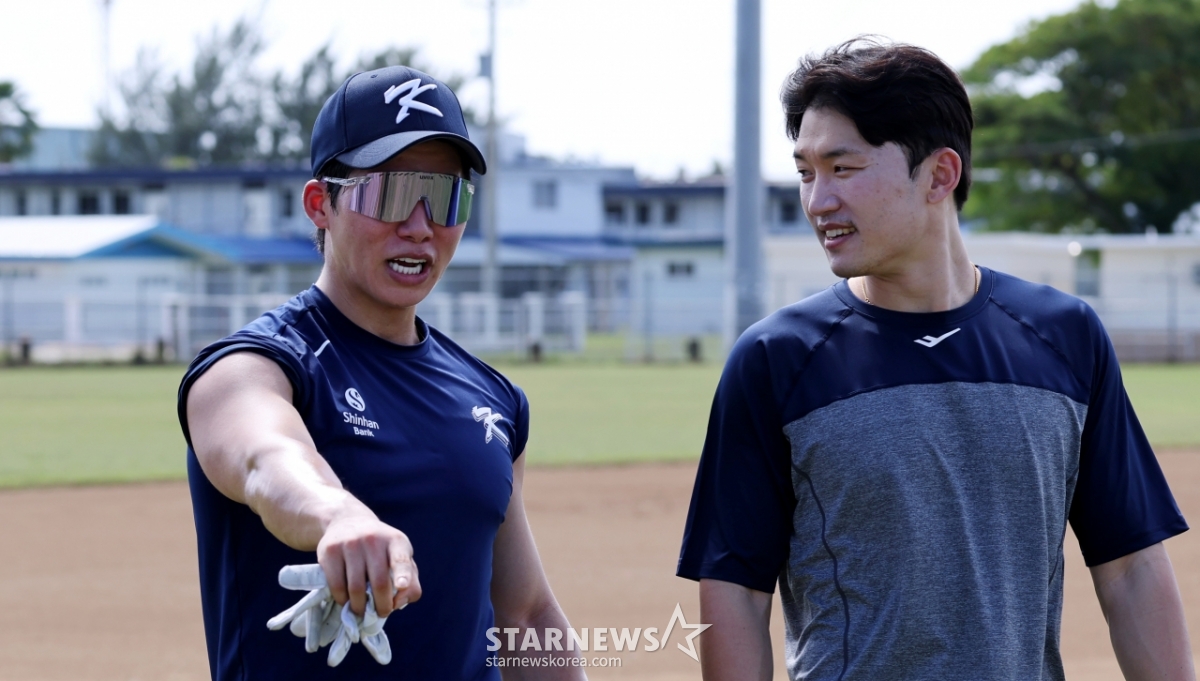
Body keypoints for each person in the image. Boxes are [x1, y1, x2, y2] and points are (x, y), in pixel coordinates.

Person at [677, 39, 1194, 680]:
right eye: (806, 173)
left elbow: (1132, 567)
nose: (817, 201)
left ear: (940, 175)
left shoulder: (1066, 336)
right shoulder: (775, 359)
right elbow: (735, 590)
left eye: (843, 168)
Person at [179, 65, 583, 680]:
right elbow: (266, 460)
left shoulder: (494, 398)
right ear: (321, 205)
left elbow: (525, 615)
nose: (420, 226)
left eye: (446, 197)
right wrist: (336, 515)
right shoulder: (252, 368)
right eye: (391, 193)